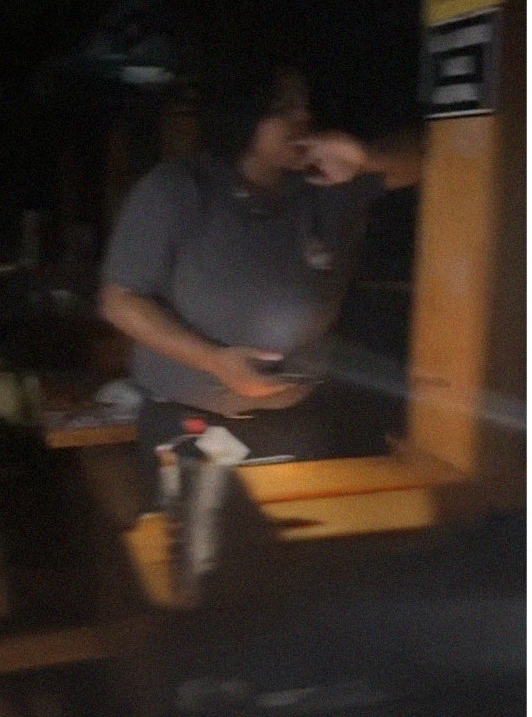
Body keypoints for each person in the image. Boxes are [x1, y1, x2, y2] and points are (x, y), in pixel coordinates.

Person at [99, 55, 420, 460]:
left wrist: (368, 159)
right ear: (246, 116)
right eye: (284, 108)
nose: (303, 115)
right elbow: (120, 300)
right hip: (187, 423)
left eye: (305, 104)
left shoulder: (330, 185)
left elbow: (430, 155)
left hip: (297, 420)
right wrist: (215, 361)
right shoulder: (179, 190)